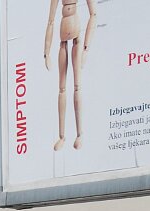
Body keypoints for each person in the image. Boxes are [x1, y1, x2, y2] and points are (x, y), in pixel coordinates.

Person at [45, 0, 97, 151]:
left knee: (77, 85)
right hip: (63, 42)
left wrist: (86, 48)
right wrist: (46, 53)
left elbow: (93, 14)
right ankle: (62, 136)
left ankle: (79, 134)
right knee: (62, 88)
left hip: (77, 41)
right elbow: (51, 21)